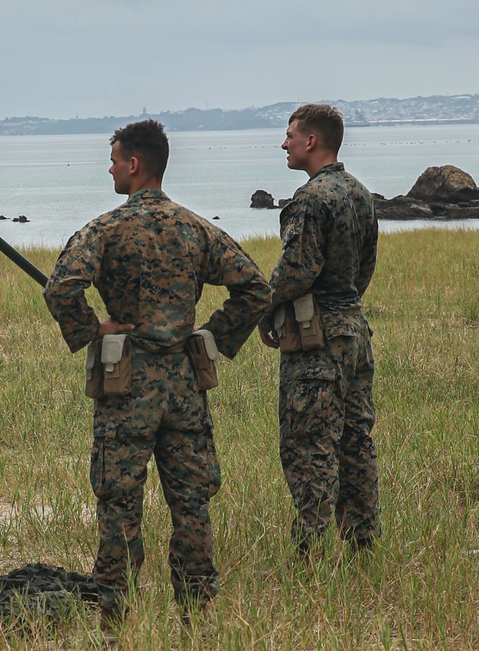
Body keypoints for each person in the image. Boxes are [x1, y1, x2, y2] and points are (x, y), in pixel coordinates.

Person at [43, 120, 271, 622]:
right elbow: (256, 287)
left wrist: (93, 329)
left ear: (134, 164)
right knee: (191, 503)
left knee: (119, 502)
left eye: (114, 159)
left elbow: (60, 288)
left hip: (126, 384)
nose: (109, 168)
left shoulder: (104, 229)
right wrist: (212, 336)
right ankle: (198, 615)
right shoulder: (196, 228)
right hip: (186, 386)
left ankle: (114, 618)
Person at [260, 103, 379, 557]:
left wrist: (262, 311)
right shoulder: (361, 194)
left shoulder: (310, 200)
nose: (284, 143)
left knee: (309, 446)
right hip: (355, 334)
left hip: (317, 341)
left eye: (290, 135)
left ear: (311, 141)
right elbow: (363, 269)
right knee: (355, 442)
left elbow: (296, 271)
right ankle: (362, 545)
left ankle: (307, 552)